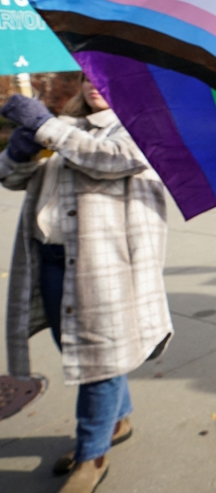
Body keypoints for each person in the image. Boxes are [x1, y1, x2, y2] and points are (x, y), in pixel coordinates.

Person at [0, 75, 173, 492]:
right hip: (49, 260)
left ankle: (90, 455)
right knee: (83, 350)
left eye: (107, 77)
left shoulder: (141, 130)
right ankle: (117, 419)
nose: (95, 83)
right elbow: (10, 177)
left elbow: (108, 158)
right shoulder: (63, 127)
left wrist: (43, 126)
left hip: (106, 269)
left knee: (97, 363)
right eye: (86, 75)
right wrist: (20, 152)